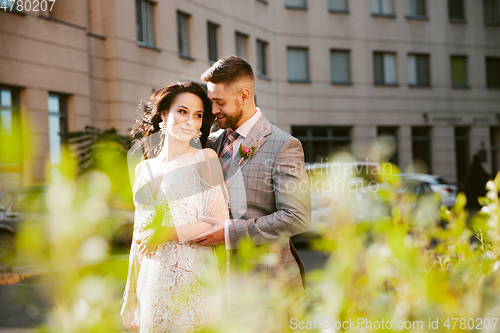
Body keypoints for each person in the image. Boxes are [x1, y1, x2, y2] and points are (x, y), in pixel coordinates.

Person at [188, 56, 311, 326]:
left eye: (219, 102)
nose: (213, 109)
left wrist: (229, 233)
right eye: (211, 102)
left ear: (244, 95)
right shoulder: (208, 142)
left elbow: (297, 216)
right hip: (217, 292)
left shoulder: (284, 145)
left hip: (268, 288)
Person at [120, 81, 230, 333]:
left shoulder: (204, 159)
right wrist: (130, 295)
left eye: (198, 115)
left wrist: (166, 232)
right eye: (183, 111)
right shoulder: (142, 168)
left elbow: (219, 224)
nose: (190, 121)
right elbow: (139, 233)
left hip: (193, 281)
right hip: (151, 283)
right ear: (164, 114)